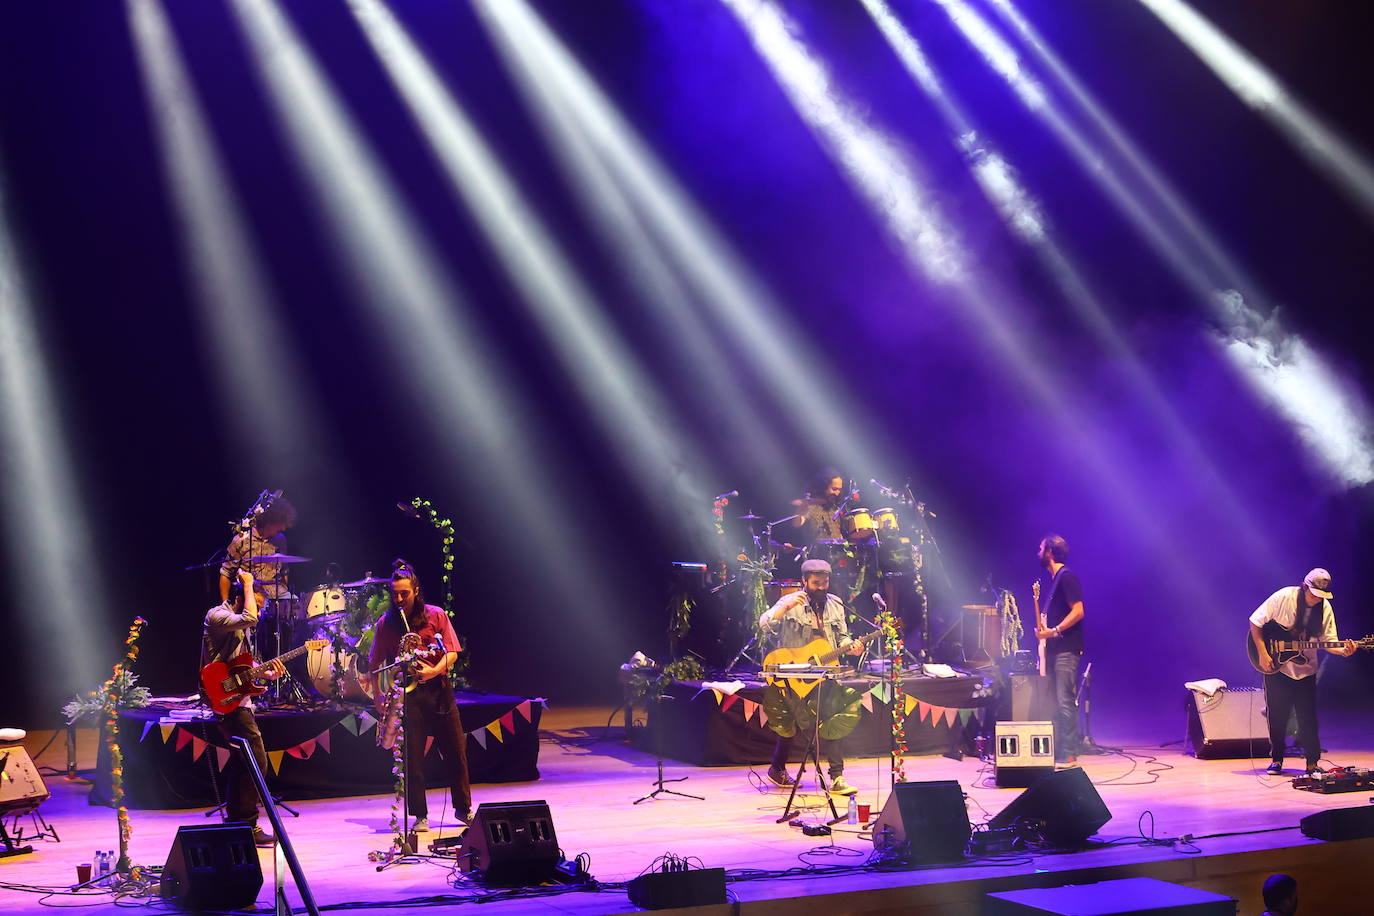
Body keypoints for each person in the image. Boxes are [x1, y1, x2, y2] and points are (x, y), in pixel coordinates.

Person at [367, 564, 471, 831]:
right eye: (395, 594)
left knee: (456, 752)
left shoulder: (436, 616)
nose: (399, 600)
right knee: (411, 758)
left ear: (416, 591)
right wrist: (378, 696)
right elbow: (375, 663)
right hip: (407, 696)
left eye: (404, 594)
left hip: (439, 692)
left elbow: (452, 651)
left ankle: (463, 809)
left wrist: (435, 670)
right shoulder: (386, 624)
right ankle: (420, 815)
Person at [759, 559, 863, 795]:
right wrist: (783, 609)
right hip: (796, 673)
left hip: (825, 673)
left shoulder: (835, 603)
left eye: (825, 582)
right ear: (804, 581)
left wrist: (851, 646)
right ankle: (777, 768)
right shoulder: (790, 601)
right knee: (791, 724)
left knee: (834, 718)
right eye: (816, 583)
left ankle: (837, 777)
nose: (821, 587)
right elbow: (764, 624)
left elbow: (842, 636)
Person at [202, 569, 284, 847]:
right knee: (256, 760)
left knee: (242, 761)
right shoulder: (218, 615)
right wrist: (249, 583)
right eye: (255, 604)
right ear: (240, 599)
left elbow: (244, 666)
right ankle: (246, 826)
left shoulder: (241, 627)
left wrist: (265, 674)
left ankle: (238, 826)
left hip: (239, 697)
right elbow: (248, 617)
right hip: (223, 696)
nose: (257, 615)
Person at [1249, 568, 1357, 776]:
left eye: (1321, 596)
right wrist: (1263, 653)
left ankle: (1312, 762)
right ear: (1304, 586)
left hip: (1306, 669)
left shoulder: (1325, 608)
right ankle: (1277, 759)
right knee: (1277, 715)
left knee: (1308, 717)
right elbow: (1255, 621)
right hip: (1277, 667)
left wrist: (1343, 651)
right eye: (1314, 594)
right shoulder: (1283, 597)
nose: (1317, 600)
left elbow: (1328, 641)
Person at [1033, 534, 1084, 768]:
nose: (1038, 551)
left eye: (1041, 548)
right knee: (1054, 701)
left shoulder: (1067, 577)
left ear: (1050, 552)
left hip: (1065, 650)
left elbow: (1078, 611)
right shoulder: (1054, 581)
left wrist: (1053, 630)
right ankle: (1057, 751)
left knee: (1064, 700)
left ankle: (1070, 754)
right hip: (1054, 650)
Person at [219, 494, 298, 602]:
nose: (283, 528)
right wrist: (225, 606)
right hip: (251, 597)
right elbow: (226, 574)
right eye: (280, 524)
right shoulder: (242, 540)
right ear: (269, 522)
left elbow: (284, 571)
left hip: (277, 596)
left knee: (296, 605)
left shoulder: (281, 540)